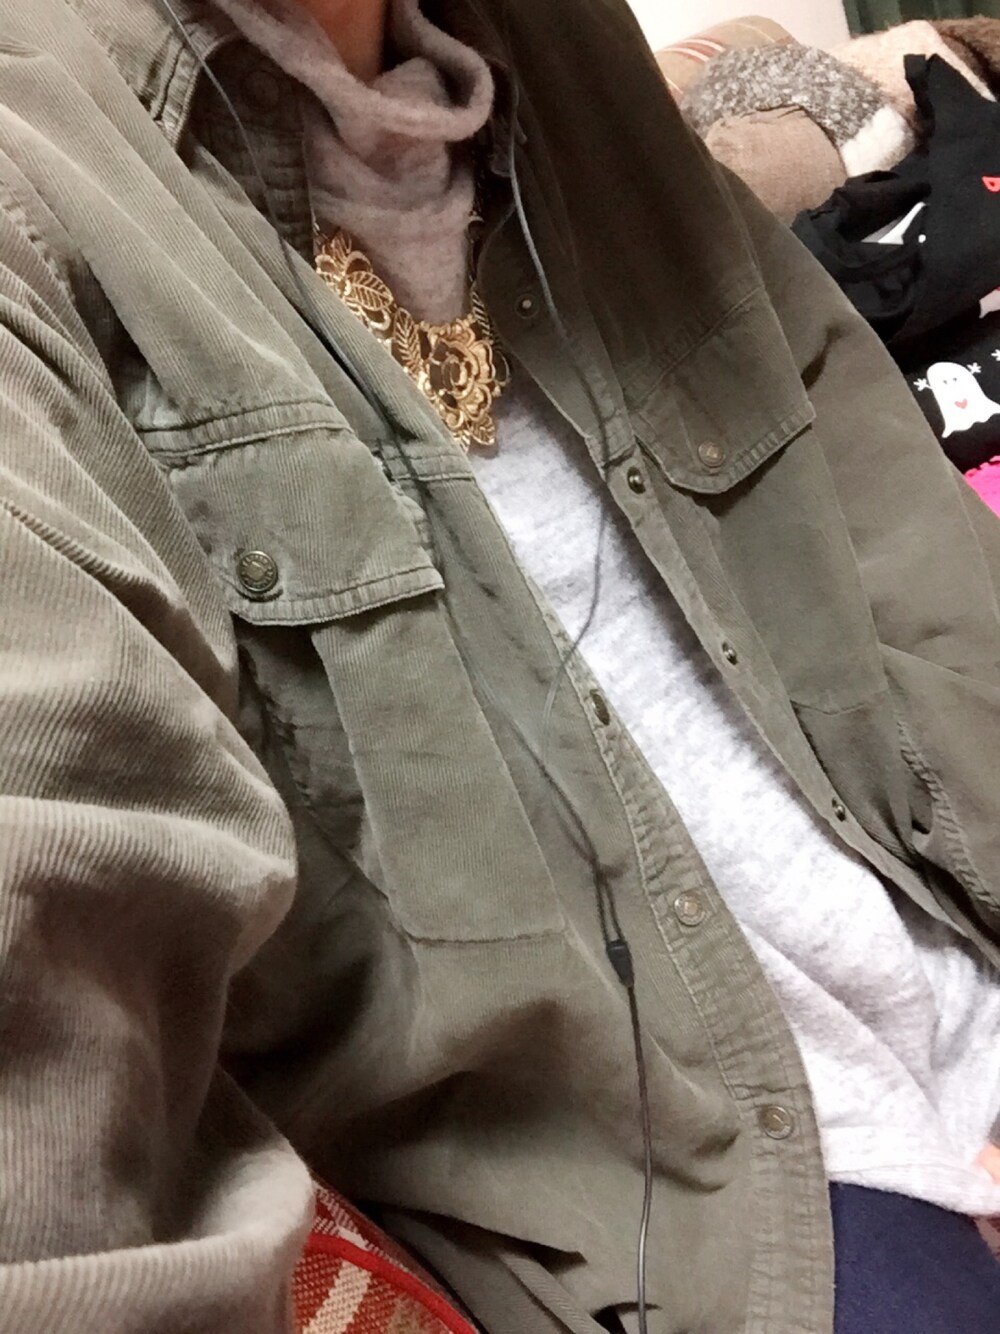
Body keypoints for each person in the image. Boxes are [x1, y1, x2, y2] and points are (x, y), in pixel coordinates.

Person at [2, 2, 1000, 1331]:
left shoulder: (561, 56)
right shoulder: (40, 185)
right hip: (681, 1194)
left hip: (938, 914)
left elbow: (891, 525)